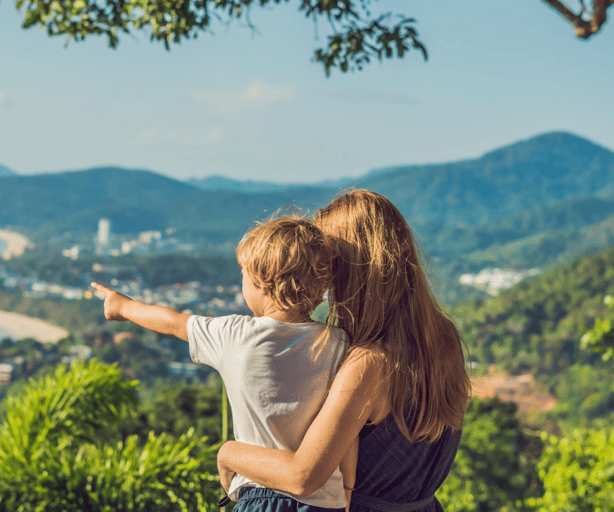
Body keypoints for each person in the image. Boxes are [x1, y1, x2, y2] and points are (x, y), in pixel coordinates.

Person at [217, 190, 472, 512]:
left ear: (347, 269)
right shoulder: (442, 339)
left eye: (325, 261)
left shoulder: (368, 362)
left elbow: (302, 476)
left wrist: (229, 454)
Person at [91, 216, 354, 511]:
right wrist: (346, 489)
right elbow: (347, 429)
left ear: (261, 282)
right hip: (323, 501)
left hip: (260, 494)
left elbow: (172, 323)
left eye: (243, 273)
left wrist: (123, 306)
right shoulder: (339, 344)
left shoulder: (235, 334)